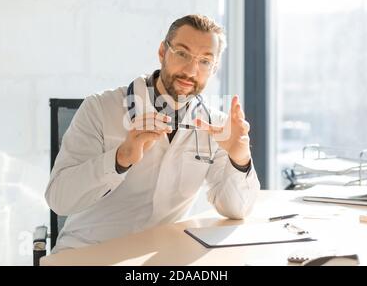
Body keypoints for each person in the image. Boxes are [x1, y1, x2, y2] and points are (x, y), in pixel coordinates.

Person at [45, 14, 260, 253]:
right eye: (182, 53)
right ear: (162, 52)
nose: (191, 70)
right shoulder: (99, 108)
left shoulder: (216, 125)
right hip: (88, 251)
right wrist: (120, 159)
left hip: (160, 257)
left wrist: (239, 159)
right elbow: (59, 200)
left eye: (205, 61)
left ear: (214, 68)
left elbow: (236, 209)